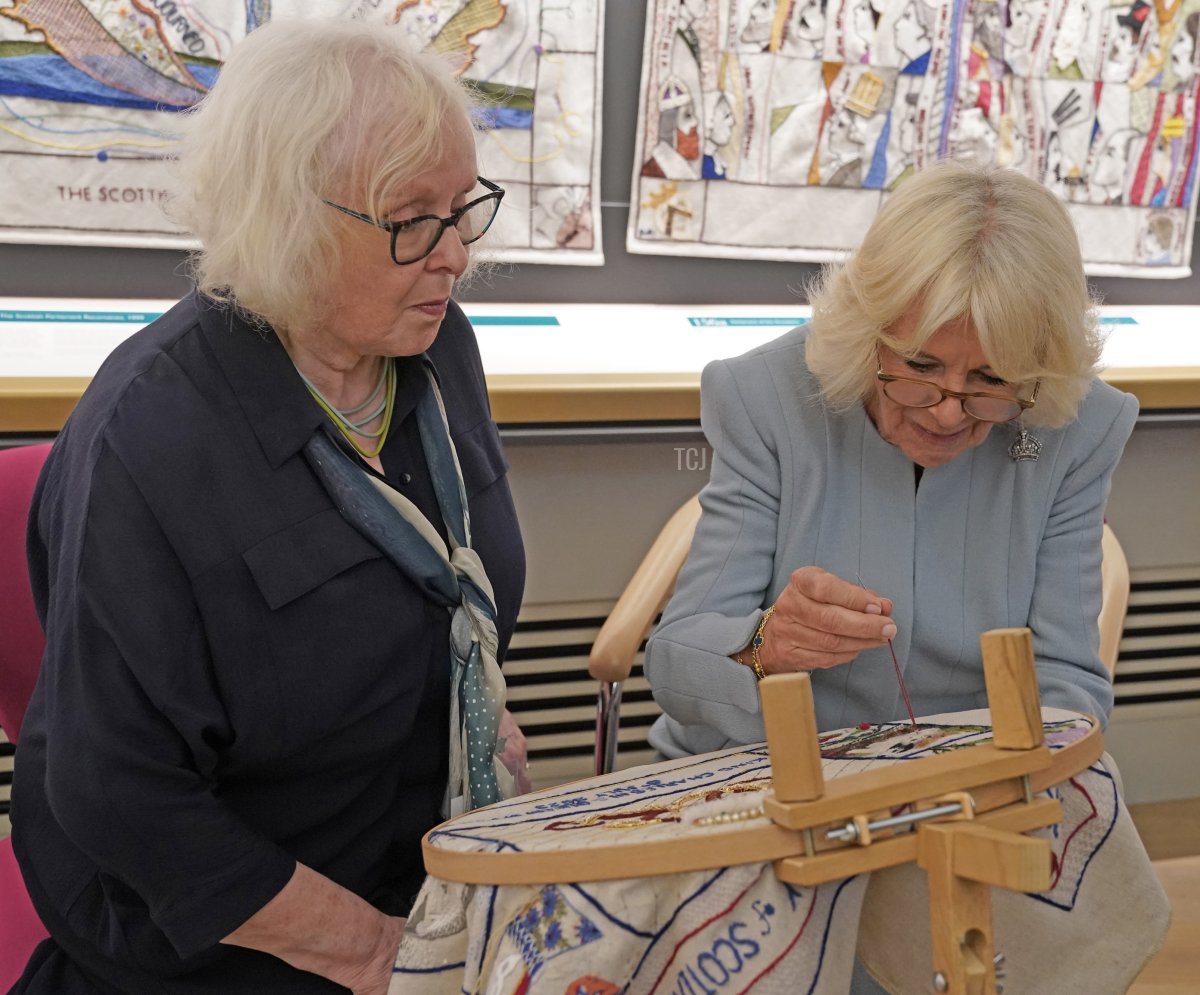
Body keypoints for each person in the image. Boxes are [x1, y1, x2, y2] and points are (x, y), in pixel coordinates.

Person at [11, 17, 527, 994]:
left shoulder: (435, 345)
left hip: (416, 885)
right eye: (413, 218)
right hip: (227, 942)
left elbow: (462, 601)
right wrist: (377, 955)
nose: (456, 254)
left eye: (464, 207)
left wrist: (494, 768)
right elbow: (118, 794)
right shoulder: (152, 435)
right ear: (286, 216)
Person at [645, 160, 1136, 759]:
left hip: (970, 778)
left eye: (991, 379)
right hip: (770, 768)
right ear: (866, 331)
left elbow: (1069, 681)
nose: (948, 414)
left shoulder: (1081, 426)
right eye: (921, 367)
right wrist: (764, 644)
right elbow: (675, 666)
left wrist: (1003, 776)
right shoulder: (765, 395)